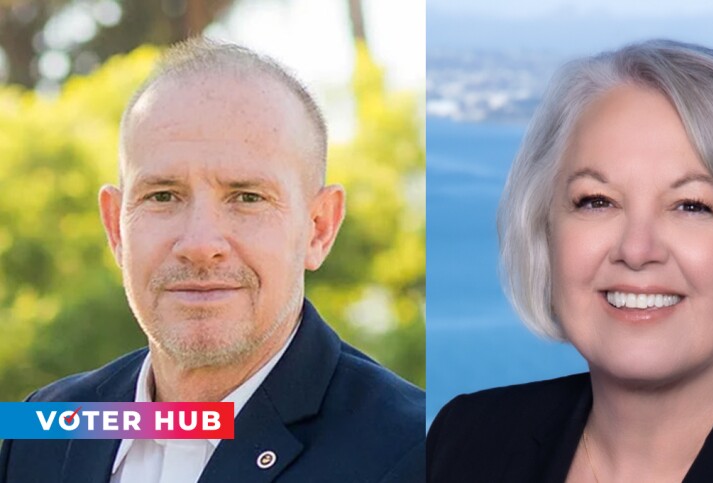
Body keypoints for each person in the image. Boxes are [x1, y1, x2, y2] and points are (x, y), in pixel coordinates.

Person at [427, 39, 713, 482]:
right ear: (546, 234)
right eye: (596, 201)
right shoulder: (464, 441)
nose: (637, 250)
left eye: (691, 205)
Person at [0, 39, 424, 483]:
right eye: (163, 196)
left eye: (247, 197)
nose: (200, 244)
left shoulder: (421, 451)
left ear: (318, 227)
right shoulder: (43, 428)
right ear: (115, 227)